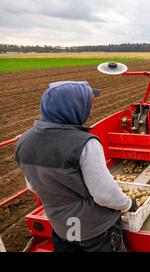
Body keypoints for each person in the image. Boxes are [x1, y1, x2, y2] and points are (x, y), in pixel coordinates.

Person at [16, 81, 137, 252]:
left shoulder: (24, 140)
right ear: (74, 107)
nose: (90, 108)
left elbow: (33, 187)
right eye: (88, 103)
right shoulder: (84, 143)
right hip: (94, 231)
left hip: (62, 226)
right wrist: (127, 204)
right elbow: (104, 194)